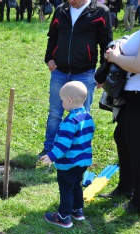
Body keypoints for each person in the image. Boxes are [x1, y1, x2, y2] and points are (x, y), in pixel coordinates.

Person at [98, 0, 140, 215]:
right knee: (122, 137)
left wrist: (116, 57)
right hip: (139, 95)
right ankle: (126, 188)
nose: (139, 2)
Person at [38, 0, 113, 158]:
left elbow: (106, 44)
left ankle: (79, 152)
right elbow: (53, 37)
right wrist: (49, 57)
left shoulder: (101, 12)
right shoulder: (61, 10)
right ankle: (49, 150)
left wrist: (102, 72)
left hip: (85, 73)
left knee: (81, 116)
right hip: (59, 71)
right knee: (55, 113)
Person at [40, 81, 95, 228]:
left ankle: (63, 217)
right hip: (83, 162)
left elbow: (64, 145)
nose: (62, 103)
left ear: (69, 101)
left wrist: (51, 156)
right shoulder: (87, 117)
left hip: (69, 164)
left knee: (66, 189)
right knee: (76, 185)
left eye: (62, 100)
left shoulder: (70, 121)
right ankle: (77, 211)